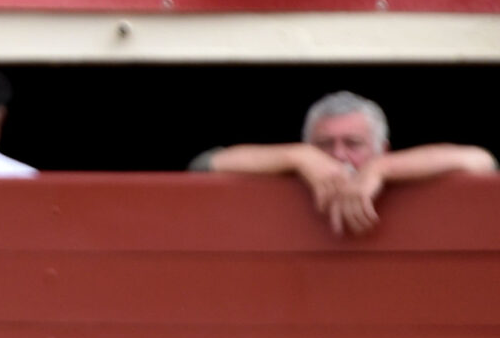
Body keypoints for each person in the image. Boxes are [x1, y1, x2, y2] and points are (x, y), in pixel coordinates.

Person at [194, 91, 495, 238]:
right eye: (324, 145)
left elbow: (482, 161)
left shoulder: (389, 167)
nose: (338, 155)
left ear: (382, 149)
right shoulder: (298, 163)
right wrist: (297, 156)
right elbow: (203, 165)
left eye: (353, 144)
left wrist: (381, 169)